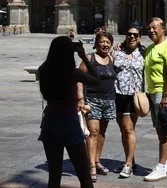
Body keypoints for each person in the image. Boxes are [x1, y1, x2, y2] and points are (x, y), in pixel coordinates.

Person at [38, 36, 101, 188]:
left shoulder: (43, 70)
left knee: (54, 173)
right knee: (84, 173)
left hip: (50, 122)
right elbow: (97, 80)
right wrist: (84, 57)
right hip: (69, 123)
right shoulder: (74, 73)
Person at [143, 17, 167, 182]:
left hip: (162, 92)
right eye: (149, 28)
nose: (151, 30)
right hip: (153, 92)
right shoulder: (151, 48)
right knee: (160, 128)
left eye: (154, 28)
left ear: (163, 29)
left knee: (164, 129)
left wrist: (166, 95)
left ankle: (161, 167)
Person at [79, 32, 117, 182]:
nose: (105, 45)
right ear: (97, 43)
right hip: (92, 100)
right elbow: (79, 78)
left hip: (108, 100)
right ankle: (90, 166)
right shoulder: (89, 58)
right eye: (102, 42)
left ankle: (97, 160)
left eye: (108, 42)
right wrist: (80, 98)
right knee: (93, 132)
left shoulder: (112, 59)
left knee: (101, 133)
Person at [112, 25, 146, 178]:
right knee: (124, 130)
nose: (132, 37)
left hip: (134, 96)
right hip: (117, 94)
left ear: (139, 37)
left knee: (128, 129)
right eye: (129, 34)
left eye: (135, 35)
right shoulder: (117, 51)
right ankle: (130, 161)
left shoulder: (144, 53)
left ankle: (127, 165)